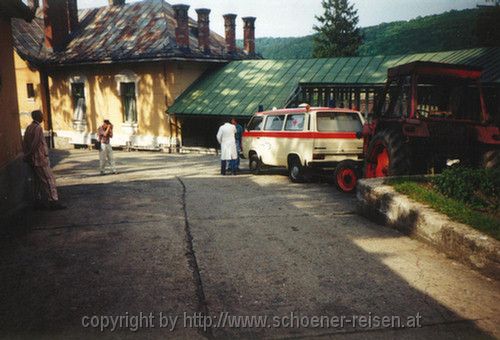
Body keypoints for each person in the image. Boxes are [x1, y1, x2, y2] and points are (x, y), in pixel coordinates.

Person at [23, 110, 66, 210]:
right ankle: (53, 201)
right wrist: (29, 154)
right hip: (40, 158)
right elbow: (36, 143)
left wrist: (27, 155)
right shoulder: (38, 128)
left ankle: (38, 202)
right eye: (42, 115)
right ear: (38, 117)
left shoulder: (29, 127)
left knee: (37, 181)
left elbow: (25, 142)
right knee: (49, 180)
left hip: (33, 159)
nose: (43, 117)